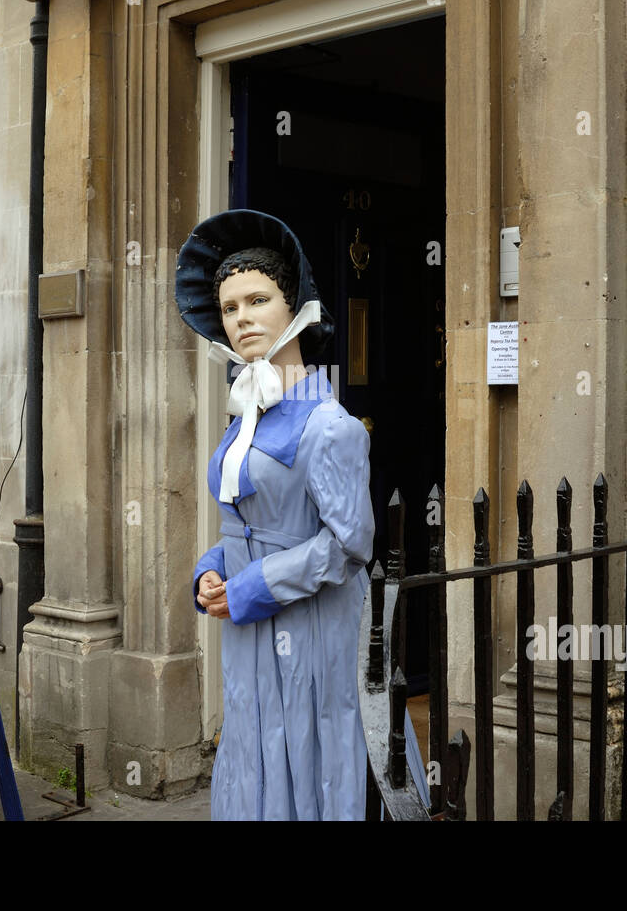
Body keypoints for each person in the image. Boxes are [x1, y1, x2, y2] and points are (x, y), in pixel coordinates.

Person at [175, 208, 430, 820]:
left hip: (311, 631)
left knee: (311, 748)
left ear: (293, 309)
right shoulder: (244, 420)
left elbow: (348, 548)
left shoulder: (330, 425)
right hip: (247, 630)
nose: (241, 319)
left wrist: (252, 586)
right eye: (230, 308)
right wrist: (211, 571)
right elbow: (245, 522)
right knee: (253, 744)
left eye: (257, 300)